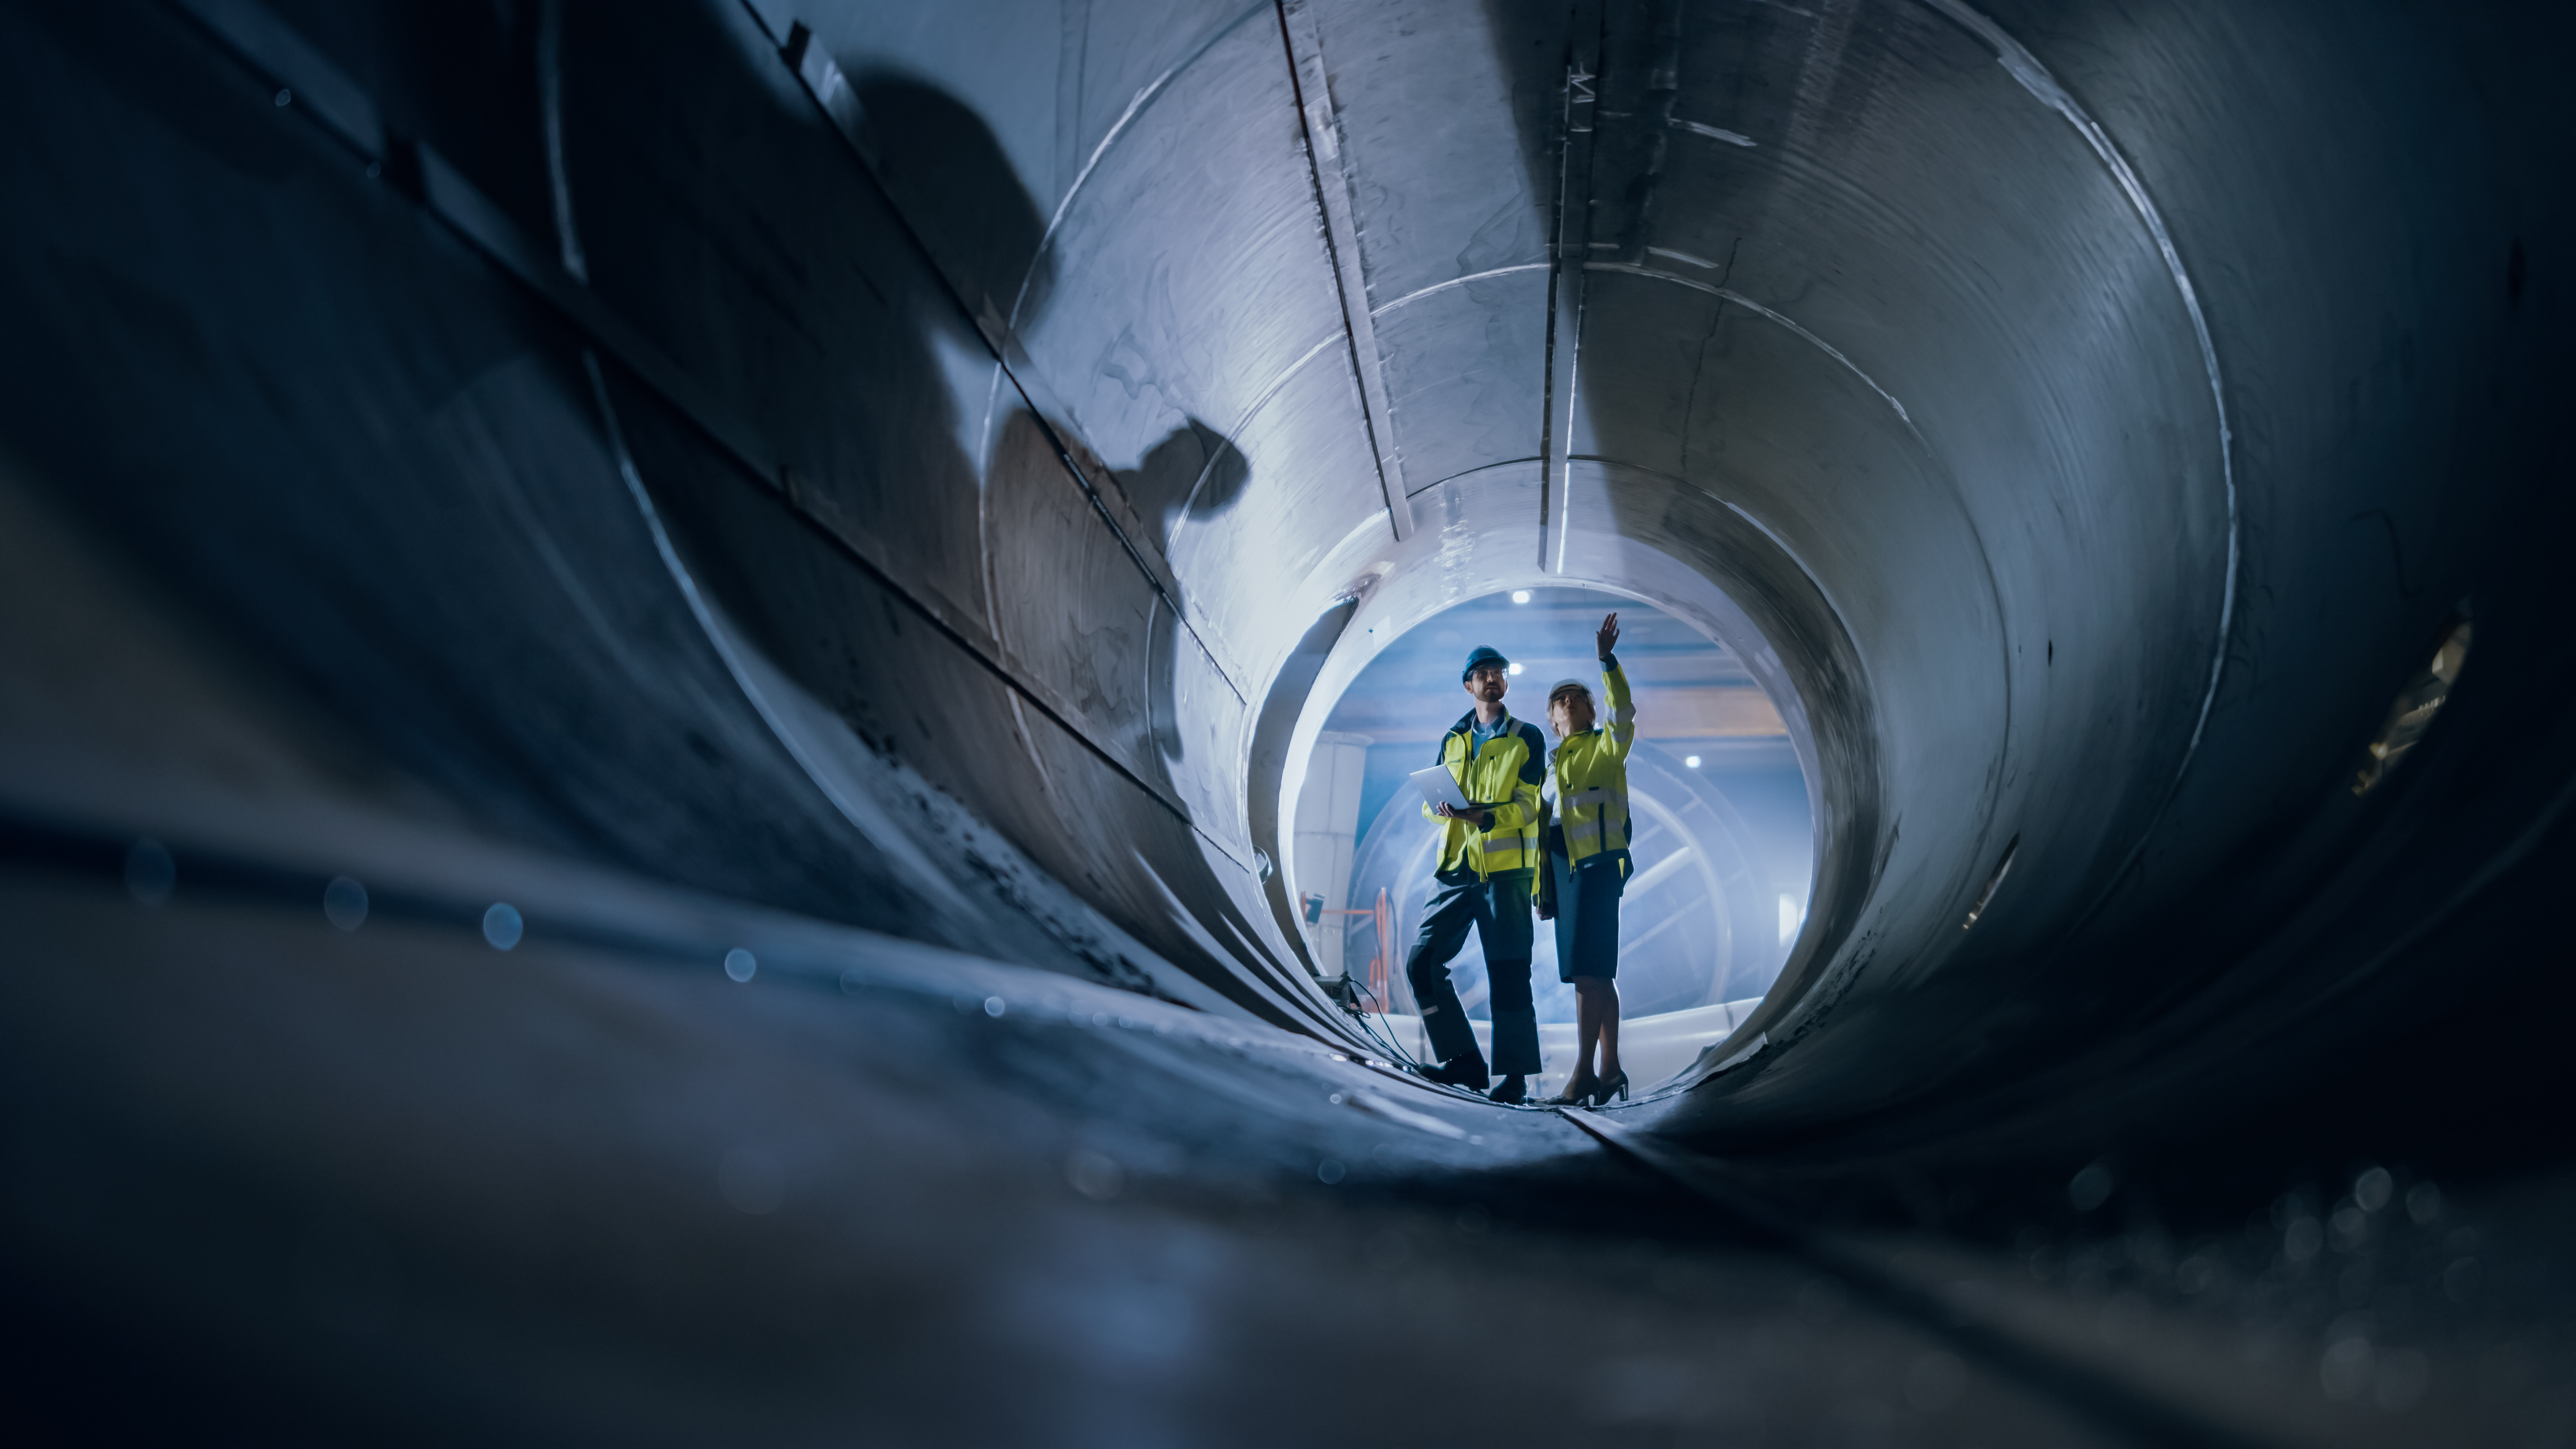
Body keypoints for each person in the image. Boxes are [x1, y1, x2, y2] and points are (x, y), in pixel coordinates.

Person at [1405, 645, 1548, 1102]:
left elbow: (1530, 806)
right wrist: (1441, 808)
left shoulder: (1528, 739)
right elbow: (1433, 810)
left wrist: (1483, 817)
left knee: (1508, 973)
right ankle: (1464, 1062)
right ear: (1469, 685)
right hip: (1455, 869)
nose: (1492, 679)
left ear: (1506, 683)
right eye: (1483, 674)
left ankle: (1516, 1079)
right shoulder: (1453, 738)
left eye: (1499, 673)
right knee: (1422, 962)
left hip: (1505, 875)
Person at [1542, 613, 1636, 1107]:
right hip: (1567, 875)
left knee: (1586, 973)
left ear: (1589, 711)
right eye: (1559, 700)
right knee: (1597, 972)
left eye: (1577, 696)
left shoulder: (1606, 747)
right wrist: (1544, 891)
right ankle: (1610, 1068)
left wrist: (1606, 662)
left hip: (1597, 870)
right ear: (1552, 720)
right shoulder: (1549, 768)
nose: (1568, 701)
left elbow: (1623, 712)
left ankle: (1581, 1076)